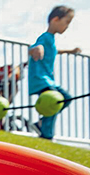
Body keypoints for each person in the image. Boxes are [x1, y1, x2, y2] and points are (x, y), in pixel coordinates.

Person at [29, 6, 81, 140]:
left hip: (47, 79)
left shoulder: (51, 40)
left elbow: (55, 51)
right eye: (67, 22)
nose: (67, 26)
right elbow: (36, 46)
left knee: (65, 99)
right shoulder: (45, 37)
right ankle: (46, 134)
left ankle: (41, 124)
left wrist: (71, 51)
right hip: (42, 79)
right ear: (55, 19)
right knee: (56, 100)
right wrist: (37, 49)